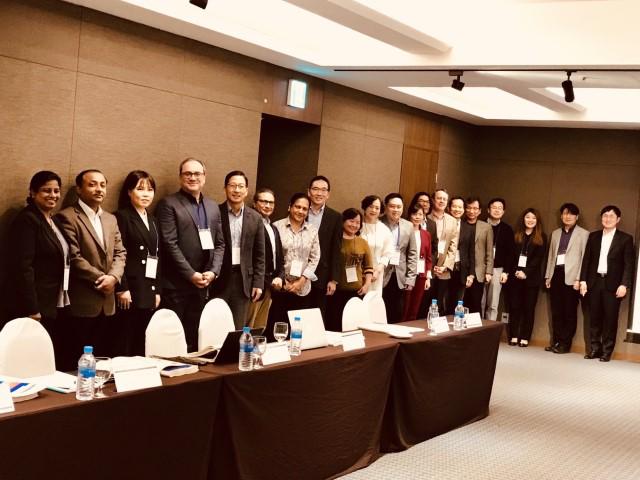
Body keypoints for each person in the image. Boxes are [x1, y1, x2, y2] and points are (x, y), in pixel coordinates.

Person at [156, 158, 225, 352]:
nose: (192, 177)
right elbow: (169, 244)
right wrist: (191, 274)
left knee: (196, 340)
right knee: (175, 342)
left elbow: (220, 243)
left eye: (197, 173)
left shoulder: (212, 206)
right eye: (187, 174)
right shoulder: (168, 204)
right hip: (177, 286)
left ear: (204, 177)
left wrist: (213, 272)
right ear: (180, 177)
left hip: (204, 284)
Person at [56, 169, 126, 359]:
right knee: (76, 360)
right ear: (79, 189)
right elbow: (73, 257)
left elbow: (120, 252)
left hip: (108, 303)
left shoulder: (110, 219)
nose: (99, 189)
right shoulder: (67, 216)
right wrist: (102, 279)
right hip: (82, 301)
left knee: (103, 360)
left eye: (102, 185)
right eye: (92, 184)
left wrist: (113, 277)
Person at [8, 171, 70, 366]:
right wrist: (32, 308)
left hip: (53, 300)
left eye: (56, 191)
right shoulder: (27, 220)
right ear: (33, 192)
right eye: (46, 190)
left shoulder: (54, 220)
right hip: (34, 304)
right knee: (28, 359)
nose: (53, 195)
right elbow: (23, 268)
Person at [114, 171, 161, 356]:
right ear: (129, 191)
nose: (146, 194)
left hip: (148, 288)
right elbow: (117, 255)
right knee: (125, 339)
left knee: (142, 342)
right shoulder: (122, 217)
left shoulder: (153, 220)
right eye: (140, 189)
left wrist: (157, 290)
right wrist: (122, 288)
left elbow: (158, 257)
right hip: (130, 289)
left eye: (150, 189)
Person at [580, 205, 634, 362]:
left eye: (611, 216)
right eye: (605, 216)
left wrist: (624, 284)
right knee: (594, 318)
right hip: (594, 282)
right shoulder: (593, 236)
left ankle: (606, 352)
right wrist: (583, 280)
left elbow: (628, 264)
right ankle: (594, 349)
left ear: (618, 219)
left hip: (613, 285)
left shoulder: (625, 239)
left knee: (610, 320)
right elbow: (586, 260)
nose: (607, 219)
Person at [212, 171, 265, 329]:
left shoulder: (255, 218)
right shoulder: (214, 213)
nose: (236, 190)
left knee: (238, 327)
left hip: (243, 281)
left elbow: (260, 254)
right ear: (225, 188)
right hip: (218, 279)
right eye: (232, 186)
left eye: (241, 186)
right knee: (215, 325)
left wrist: (258, 282)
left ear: (246, 190)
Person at [265, 193, 320, 340]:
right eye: (297, 207)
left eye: (304, 209)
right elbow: (272, 257)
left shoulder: (312, 230)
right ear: (290, 207)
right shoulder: (276, 227)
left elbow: (315, 257)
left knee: (297, 332)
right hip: (280, 287)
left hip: (303, 289)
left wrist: (302, 281)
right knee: (276, 331)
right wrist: (283, 280)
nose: (300, 211)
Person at [543, 203, 589, 354]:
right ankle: (556, 341)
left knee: (569, 312)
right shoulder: (555, 233)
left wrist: (579, 279)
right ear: (561, 215)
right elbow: (551, 256)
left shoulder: (584, 234)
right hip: (556, 275)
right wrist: (548, 276)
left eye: (571, 214)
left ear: (577, 217)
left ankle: (565, 344)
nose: (567, 216)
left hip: (572, 278)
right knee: (556, 311)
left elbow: (584, 258)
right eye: (565, 213)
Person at [326, 208, 374, 331]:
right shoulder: (335, 240)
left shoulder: (363, 242)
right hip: (336, 292)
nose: (354, 225)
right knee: (335, 325)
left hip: (356, 292)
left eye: (358, 222)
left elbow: (368, 267)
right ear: (343, 221)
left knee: (353, 327)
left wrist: (367, 285)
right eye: (351, 221)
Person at [507, 208, 546, 347]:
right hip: (515, 277)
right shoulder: (516, 235)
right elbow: (511, 256)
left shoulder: (542, 237)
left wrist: (526, 272)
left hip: (531, 279)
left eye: (533, 218)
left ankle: (525, 337)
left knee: (528, 309)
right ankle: (513, 335)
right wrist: (516, 271)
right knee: (514, 307)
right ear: (523, 219)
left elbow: (538, 259)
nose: (530, 220)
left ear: (537, 221)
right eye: (528, 217)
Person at [247, 188, 285, 330]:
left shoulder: (272, 227)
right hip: (255, 286)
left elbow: (279, 258)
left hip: (270, 287)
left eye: (271, 202)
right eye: (263, 201)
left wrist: (280, 277)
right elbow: (250, 258)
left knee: (260, 328)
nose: (267, 205)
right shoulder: (250, 225)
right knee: (247, 328)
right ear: (254, 203)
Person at [306, 176, 342, 318]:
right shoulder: (300, 210)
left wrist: (333, 279)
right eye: (315, 189)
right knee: (297, 313)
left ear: (328, 194)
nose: (319, 193)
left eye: (323, 190)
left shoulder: (335, 217)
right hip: (298, 273)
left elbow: (336, 249)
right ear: (309, 192)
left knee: (317, 315)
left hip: (322, 275)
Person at [380, 193, 417, 323]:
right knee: (380, 310)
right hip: (381, 274)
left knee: (397, 311)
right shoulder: (378, 223)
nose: (396, 209)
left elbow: (412, 253)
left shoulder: (408, 225)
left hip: (400, 275)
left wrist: (411, 278)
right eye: (392, 206)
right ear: (386, 207)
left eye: (399, 207)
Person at [427, 188, 458, 313]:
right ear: (433, 200)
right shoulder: (425, 217)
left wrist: (445, 266)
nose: (442, 201)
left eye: (444, 199)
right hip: (427, 267)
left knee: (439, 303)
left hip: (443, 269)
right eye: (439, 198)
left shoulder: (452, 220)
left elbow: (453, 246)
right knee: (424, 302)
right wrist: (430, 266)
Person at [483, 198, 515, 321]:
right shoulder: (481, 225)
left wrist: (506, 272)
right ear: (488, 210)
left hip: (497, 270)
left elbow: (510, 253)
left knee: (493, 304)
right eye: (494, 207)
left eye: (500, 208)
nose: (497, 210)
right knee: (479, 302)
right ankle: (478, 329)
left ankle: (490, 329)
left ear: (503, 211)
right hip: (481, 268)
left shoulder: (507, 229)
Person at [402, 203, 433, 321]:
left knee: (415, 306)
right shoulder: (405, 231)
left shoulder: (426, 234)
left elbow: (428, 257)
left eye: (420, 214)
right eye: (414, 214)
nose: (417, 217)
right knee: (404, 306)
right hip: (407, 273)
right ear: (409, 215)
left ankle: (412, 327)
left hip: (421, 274)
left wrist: (428, 277)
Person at [463, 197, 494, 315]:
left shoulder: (486, 227)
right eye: (469, 208)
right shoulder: (461, 224)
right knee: (461, 302)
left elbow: (489, 251)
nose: (472, 211)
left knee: (476, 303)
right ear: (465, 209)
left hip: (479, 271)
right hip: (462, 269)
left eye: (475, 208)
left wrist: (489, 272)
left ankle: (476, 326)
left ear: (480, 211)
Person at [446, 196, 475, 313]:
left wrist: (471, 274)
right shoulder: (444, 224)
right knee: (441, 300)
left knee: (457, 302)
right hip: (444, 268)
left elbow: (471, 252)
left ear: (463, 209)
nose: (457, 209)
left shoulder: (468, 228)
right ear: (449, 208)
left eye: (460, 207)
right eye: (454, 206)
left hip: (461, 269)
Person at [360, 195, 393, 293]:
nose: (373, 210)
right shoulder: (357, 226)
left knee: (373, 299)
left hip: (376, 273)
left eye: (377, 208)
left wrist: (378, 271)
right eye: (371, 206)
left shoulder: (384, 229)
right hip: (358, 272)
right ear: (365, 207)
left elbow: (387, 254)